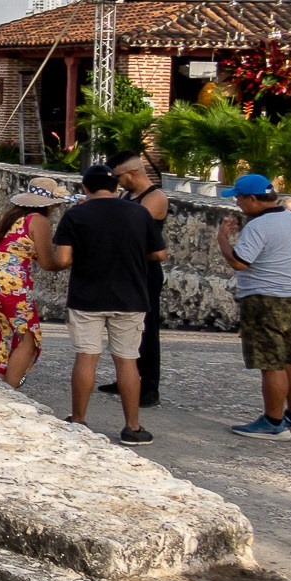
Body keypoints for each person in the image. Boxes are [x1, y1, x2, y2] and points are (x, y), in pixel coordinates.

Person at [50, 163, 166, 445]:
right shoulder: (139, 213)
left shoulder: (76, 215)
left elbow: (63, 260)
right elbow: (159, 254)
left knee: (86, 357)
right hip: (130, 296)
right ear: (116, 187)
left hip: (87, 296)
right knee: (127, 361)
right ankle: (133, 427)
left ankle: (78, 420)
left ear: (86, 188)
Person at [216, 173, 291, 439]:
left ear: (252, 199)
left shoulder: (259, 226)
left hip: (264, 300)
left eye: (239, 198)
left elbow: (239, 262)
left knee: (271, 363)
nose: (237, 203)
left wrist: (223, 237)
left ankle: (273, 422)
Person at [0, 178, 67, 388]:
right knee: (28, 337)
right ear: (49, 204)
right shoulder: (38, 221)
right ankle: (10, 388)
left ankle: (3, 375)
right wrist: (68, 260)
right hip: (15, 284)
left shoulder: (13, 217)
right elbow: (47, 262)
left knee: (9, 329)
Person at [103, 152, 168, 408]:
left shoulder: (155, 198)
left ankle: (149, 386)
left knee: (147, 328)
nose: (116, 183)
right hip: (127, 270)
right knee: (124, 327)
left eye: (118, 177)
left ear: (132, 174)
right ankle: (127, 379)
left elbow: (130, 229)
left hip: (145, 271)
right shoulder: (126, 196)